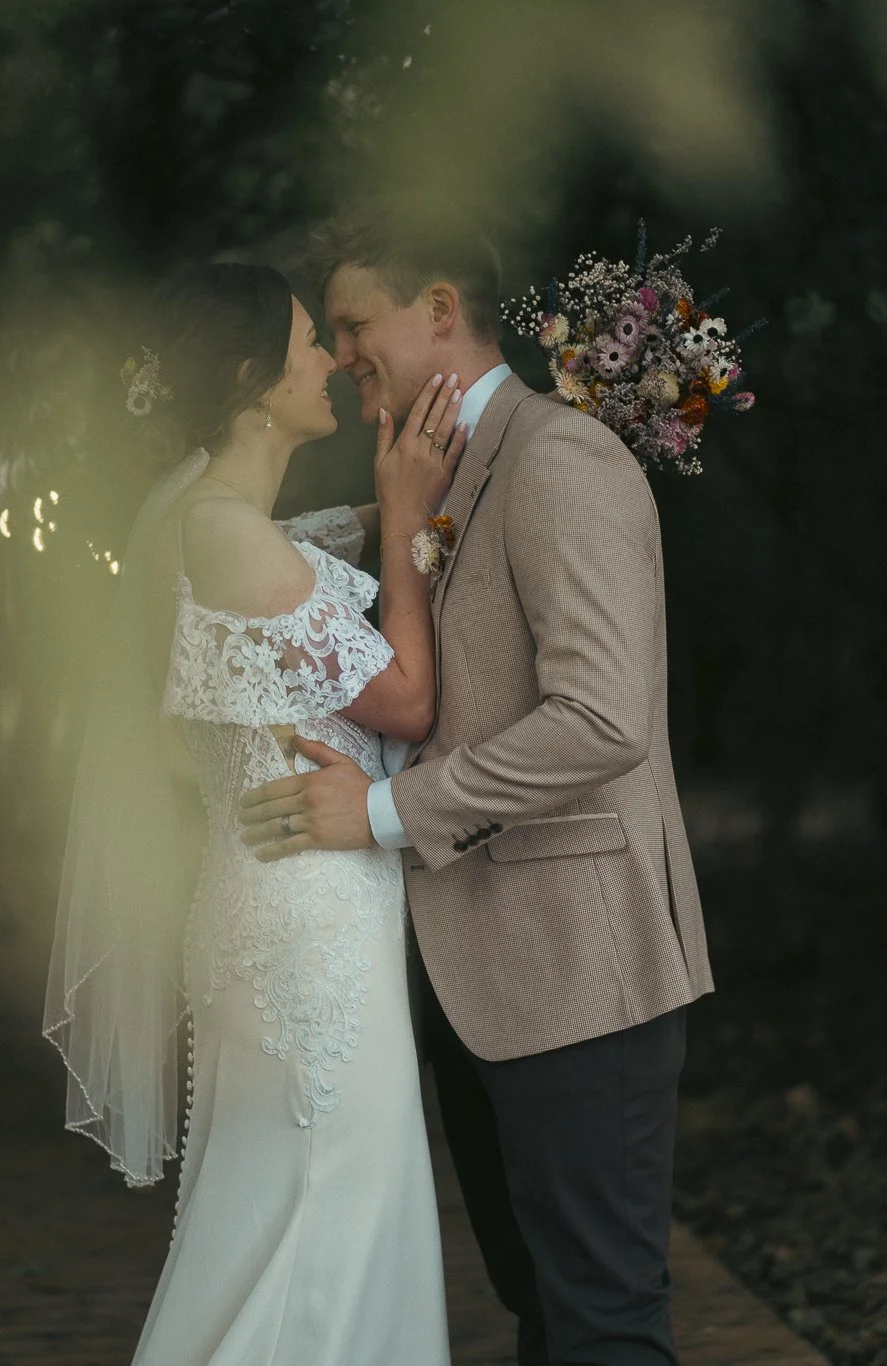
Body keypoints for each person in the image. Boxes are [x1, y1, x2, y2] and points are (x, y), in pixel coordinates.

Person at [239, 202, 716, 1366]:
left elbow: (600, 716)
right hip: (476, 981)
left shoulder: (560, 458)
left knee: (601, 1323)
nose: (343, 351)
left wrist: (382, 813)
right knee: (541, 1309)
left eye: (356, 323)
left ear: (440, 310)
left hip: (576, 976)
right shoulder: (435, 472)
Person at [42, 262, 467, 1366]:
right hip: (304, 931)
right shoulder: (227, 533)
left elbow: (281, 652)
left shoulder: (218, 520)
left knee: (306, 1221)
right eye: (302, 344)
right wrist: (412, 527)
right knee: (320, 1229)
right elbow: (408, 702)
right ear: (247, 378)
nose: (329, 358)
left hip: (283, 906)